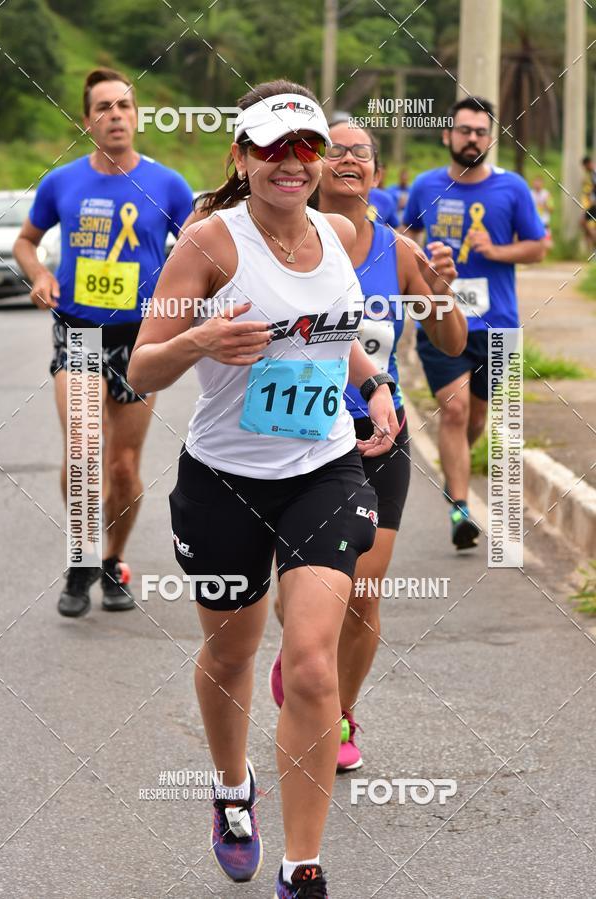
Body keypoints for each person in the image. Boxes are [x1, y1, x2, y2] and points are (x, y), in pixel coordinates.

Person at [128, 79, 400, 899]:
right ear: (242, 157)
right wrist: (204, 335)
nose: (292, 163)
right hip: (223, 480)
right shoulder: (210, 243)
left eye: (307, 147)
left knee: (313, 665)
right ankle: (232, 786)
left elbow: (333, 329)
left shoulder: (341, 231)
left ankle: (303, 866)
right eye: (272, 148)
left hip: (323, 468)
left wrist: (375, 381)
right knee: (232, 653)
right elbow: (141, 366)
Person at [268, 122, 467, 772]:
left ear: (378, 174)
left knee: (361, 592)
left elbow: (453, 340)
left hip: (379, 439)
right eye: (338, 150)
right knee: (292, 596)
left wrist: (440, 290)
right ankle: (302, 650)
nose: (350, 159)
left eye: (363, 153)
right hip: (295, 437)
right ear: (316, 167)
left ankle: (339, 711)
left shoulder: (400, 249)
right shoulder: (283, 242)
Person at [14, 68, 193, 617]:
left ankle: (113, 559)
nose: (116, 115)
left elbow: (198, 250)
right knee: (83, 453)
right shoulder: (61, 182)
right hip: (79, 333)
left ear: (136, 117)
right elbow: (26, 242)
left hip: (138, 338)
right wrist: (39, 277)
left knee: (122, 467)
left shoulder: (167, 185)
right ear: (86, 120)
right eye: (104, 108)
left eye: (125, 106)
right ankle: (81, 556)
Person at [402, 96, 546, 550]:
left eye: (481, 132)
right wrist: (420, 275)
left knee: (476, 416)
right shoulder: (426, 187)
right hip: (442, 316)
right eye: (464, 131)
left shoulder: (513, 188)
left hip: (498, 325)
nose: (472, 139)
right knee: (455, 408)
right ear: (448, 135)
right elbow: (407, 237)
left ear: (491, 139)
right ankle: (460, 508)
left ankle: (457, 464)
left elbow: (538, 247)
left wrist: (496, 251)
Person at [530, 176, 553, 249]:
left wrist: (545, 205)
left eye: (539, 182)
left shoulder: (547, 194)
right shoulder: (529, 194)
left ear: (542, 183)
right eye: (536, 182)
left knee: (547, 243)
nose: (537, 184)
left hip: (544, 222)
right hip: (533, 221)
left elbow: (551, 209)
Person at [580, 156, 596, 251]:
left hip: (594, 203)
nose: (584, 169)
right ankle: (590, 252)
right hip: (591, 203)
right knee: (586, 225)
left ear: (588, 164)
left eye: (584, 166)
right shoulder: (591, 173)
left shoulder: (593, 172)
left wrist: (590, 193)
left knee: (583, 222)